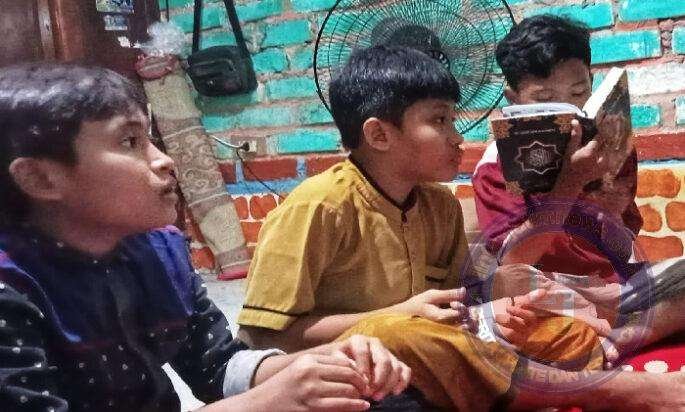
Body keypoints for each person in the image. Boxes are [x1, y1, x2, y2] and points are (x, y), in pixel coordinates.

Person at [237, 45, 685, 411]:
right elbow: (263, 339)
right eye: (439, 121)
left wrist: (499, 311)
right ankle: (610, 391)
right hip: (351, 363)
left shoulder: (440, 205)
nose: (457, 137)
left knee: (550, 326)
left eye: (453, 119)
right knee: (403, 335)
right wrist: (397, 315)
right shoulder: (317, 207)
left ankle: (553, 372)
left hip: (440, 347)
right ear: (379, 135)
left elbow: (461, 303)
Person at [0, 62, 413, 411]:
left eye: (151, 139)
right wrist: (261, 402)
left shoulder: (158, 254)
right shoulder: (11, 289)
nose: (163, 160)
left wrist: (324, 360)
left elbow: (217, 368)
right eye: (129, 142)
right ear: (40, 178)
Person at [474, 14, 685, 367]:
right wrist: (570, 183)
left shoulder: (609, 143)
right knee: (510, 288)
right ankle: (619, 329)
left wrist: (610, 203)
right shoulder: (496, 164)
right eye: (544, 98)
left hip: (614, 289)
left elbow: (623, 242)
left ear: (592, 84)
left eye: (577, 93)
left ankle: (627, 333)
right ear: (513, 99)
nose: (570, 114)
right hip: (550, 291)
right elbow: (515, 260)